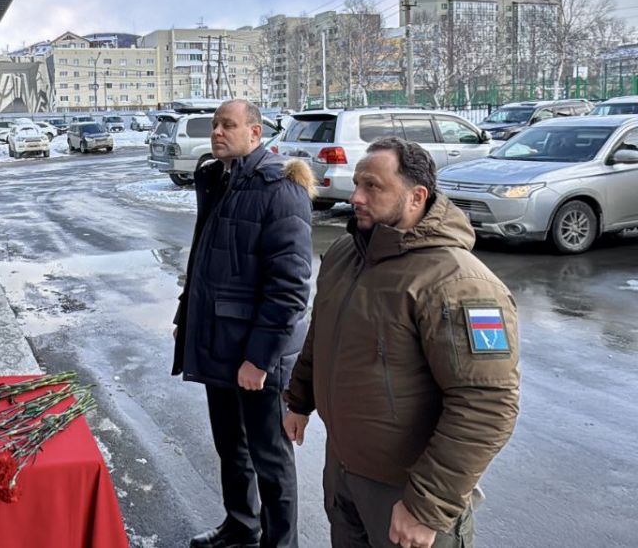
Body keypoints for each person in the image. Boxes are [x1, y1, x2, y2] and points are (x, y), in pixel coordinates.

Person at [283, 137, 520, 548]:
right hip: (344, 472)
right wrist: (300, 400)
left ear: (416, 197)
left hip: (407, 492)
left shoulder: (459, 283)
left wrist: (427, 506)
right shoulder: (346, 254)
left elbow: (487, 404)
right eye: (357, 183)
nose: (356, 197)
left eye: (373, 186)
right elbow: (322, 334)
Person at [172, 99, 315, 548]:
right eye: (215, 124)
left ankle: (280, 544)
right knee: (231, 447)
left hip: (257, 356)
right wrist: (185, 320)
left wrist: (259, 359)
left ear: (255, 133)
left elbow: (289, 287)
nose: (217, 132)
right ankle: (241, 526)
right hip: (220, 343)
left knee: (270, 460)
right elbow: (203, 264)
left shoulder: (279, 188)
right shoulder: (219, 179)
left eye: (228, 125)